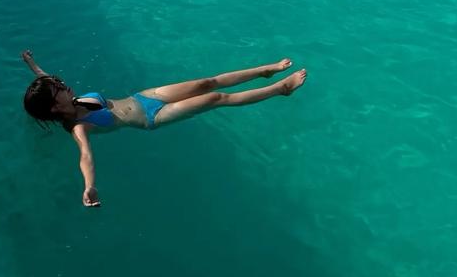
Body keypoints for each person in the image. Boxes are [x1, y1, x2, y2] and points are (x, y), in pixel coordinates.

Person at [21, 49, 307, 208]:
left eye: (58, 84)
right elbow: (85, 156)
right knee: (216, 98)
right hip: (151, 118)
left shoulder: (69, 99)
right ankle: (281, 88)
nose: (61, 84)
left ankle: (265, 70)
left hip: (143, 97)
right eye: (57, 89)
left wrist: (33, 65)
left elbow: (47, 79)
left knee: (206, 82)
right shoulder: (79, 126)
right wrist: (89, 186)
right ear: (54, 109)